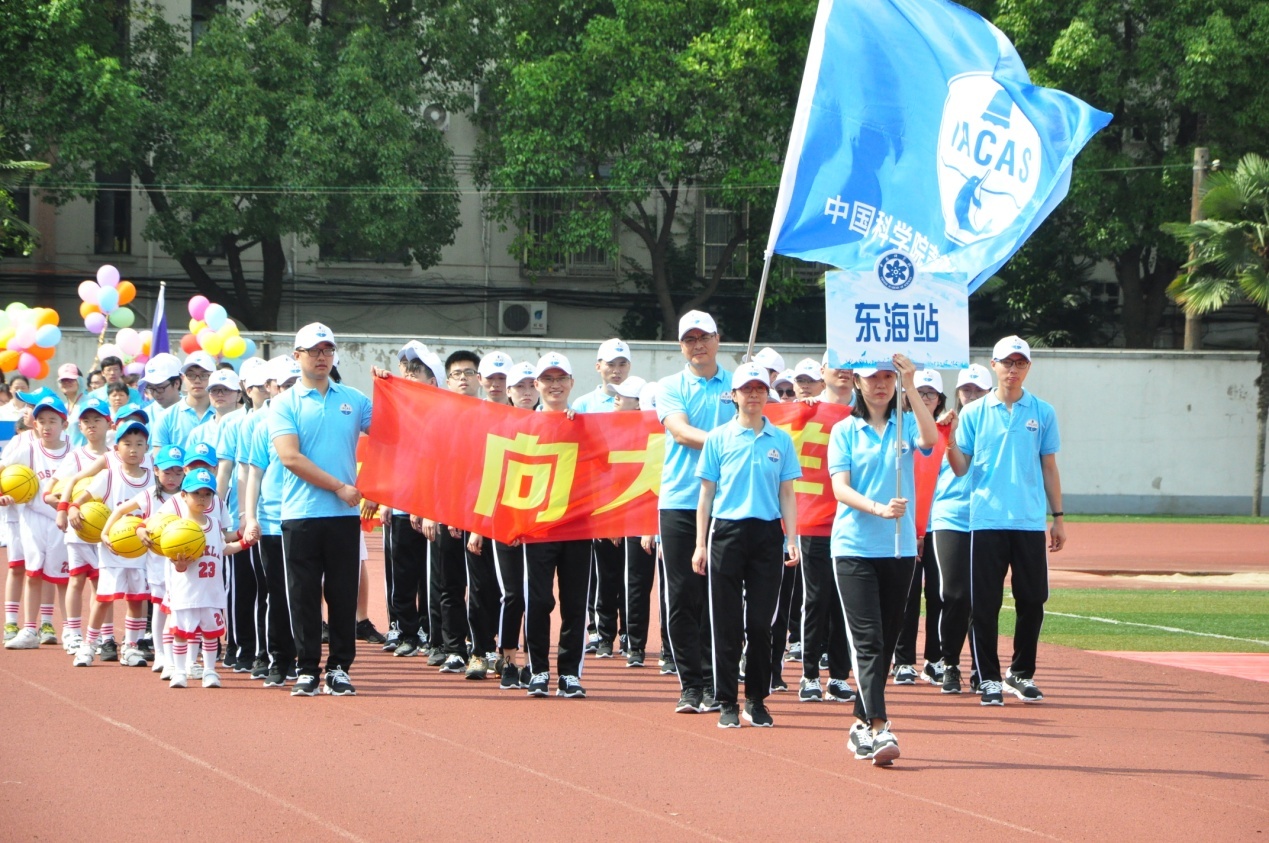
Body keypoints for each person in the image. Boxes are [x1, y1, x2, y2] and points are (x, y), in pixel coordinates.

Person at [829, 355, 937, 765]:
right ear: (857, 382)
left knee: (885, 644)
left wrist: (911, 382)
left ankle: (859, 723)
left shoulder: (905, 425)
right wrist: (878, 508)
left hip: (899, 549)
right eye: (872, 377)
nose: (880, 384)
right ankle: (879, 727)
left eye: (888, 377)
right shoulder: (844, 430)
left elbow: (930, 439)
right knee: (869, 641)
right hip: (854, 548)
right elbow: (840, 488)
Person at [946, 336, 1065, 705]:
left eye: (1020, 363)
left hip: (1028, 521)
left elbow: (1049, 466)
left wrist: (1058, 517)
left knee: (1033, 600)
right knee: (984, 604)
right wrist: (948, 441)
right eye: (1007, 362)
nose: (1013, 369)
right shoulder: (974, 413)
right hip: (986, 520)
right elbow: (961, 468)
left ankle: (1021, 672)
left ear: (1028, 367)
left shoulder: (1042, 411)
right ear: (993, 365)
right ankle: (988, 678)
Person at [693, 363, 801, 728]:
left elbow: (787, 493)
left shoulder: (781, 440)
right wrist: (700, 544)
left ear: (767, 395)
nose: (753, 395)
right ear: (734, 395)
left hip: (768, 535)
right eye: (746, 389)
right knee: (726, 623)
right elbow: (706, 495)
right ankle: (726, 700)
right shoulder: (718, 438)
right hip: (726, 532)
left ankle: (756, 699)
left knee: (759, 624)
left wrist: (791, 538)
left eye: (759, 388)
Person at [270, 323, 372, 697]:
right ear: (297, 355)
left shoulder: (354, 400)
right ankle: (307, 668)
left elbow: (393, 431)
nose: (321, 357)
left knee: (343, 595)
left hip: (343, 517)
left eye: (327, 350)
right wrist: (340, 487)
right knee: (303, 595)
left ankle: (339, 668)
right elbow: (290, 457)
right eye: (314, 351)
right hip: (301, 513)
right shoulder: (284, 403)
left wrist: (392, 387)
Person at [657, 310, 731, 714]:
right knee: (684, 594)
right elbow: (681, 432)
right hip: (681, 501)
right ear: (681, 346)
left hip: (730, 503)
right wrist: (731, 440)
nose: (698, 345)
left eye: (704, 337)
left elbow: (767, 422)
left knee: (720, 596)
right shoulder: (670, 386)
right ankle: (691, 684)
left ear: (718, 339)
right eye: (690, 339)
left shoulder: (739, 384)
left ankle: (717, 681)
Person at [520, 352, 591, 699]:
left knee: (575, 603)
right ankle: (538, 670)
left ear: (572, 383)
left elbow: (604, 469)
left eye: (561, 378)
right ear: (536, 385)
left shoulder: (586, 424)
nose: (555, 385)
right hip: (539, 527)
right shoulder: (523, 425)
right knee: (538, 601)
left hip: (578, 526)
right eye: (547, 379)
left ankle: (569, 674)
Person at [67, 417, 155, 667]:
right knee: (104, 598)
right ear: (116, 449)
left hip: (140, 551)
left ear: (146, 449)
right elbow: (82, 498)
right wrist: (72, 508)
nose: (133, 449)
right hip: (111, 548)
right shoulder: (109, 476)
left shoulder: (154, 479)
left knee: (137, 600)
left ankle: (131, 647)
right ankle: (89, 645)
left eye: (139, 444)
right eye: (127, 444)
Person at [796, 356, 857, 705]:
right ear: (822, 373)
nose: (843, 370)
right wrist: (798, 411)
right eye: (836, 364)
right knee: (816, 598)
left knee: (844, 602)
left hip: (854, 520)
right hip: (815, 519)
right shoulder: (805, 411)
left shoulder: (867, 411)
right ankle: (809, 676)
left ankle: (838, 676)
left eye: (850, 364)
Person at [929, 363, 992, 694]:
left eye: (978, 390)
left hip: (987, 517)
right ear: (957, 393)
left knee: (982, 598)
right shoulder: (942, 426)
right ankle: (950, 662)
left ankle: (982, 668)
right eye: (967, 389)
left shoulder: (996, 425)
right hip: (950, 516)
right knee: (955, 594)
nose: (972, 395)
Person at [243, 357, 302, 687]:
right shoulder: (263, 425)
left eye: (295, 383)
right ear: (271, 388)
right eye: (285, 385)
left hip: (304, 517)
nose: (290, 390)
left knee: (304, 592)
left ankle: (303, 657)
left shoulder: (308, 420)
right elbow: (254, 474)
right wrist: (250, 516)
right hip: (271, 521)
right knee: (276, 592)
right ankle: (277, 657)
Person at [158, 468, 245, 689]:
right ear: (184, 495)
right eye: (196, 493)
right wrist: (179, 565)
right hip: (186, 591)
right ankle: (180, 671)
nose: (202, 498)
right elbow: (173, 560)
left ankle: (210, 671)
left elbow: (223, 549)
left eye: (207, 494)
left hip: (211, 591)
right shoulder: (178, 528)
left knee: (210, 634)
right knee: (181, 633)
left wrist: (245, 543)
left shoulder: (215, 524)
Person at [107, 443, 186, 677]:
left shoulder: (190, 496)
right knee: (160, 607)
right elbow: (120, 510)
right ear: (156, 470)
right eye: (167, 472)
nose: (172, 478)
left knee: (181, 608)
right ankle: (161, 654)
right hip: (157, 564)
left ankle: (182, 656)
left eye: (178, 472)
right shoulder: (150, 495)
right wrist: (105, 533)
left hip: (183, 563)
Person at [1, 393, 71, 651]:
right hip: (32, 519)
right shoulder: (27, 448)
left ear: (64, 423)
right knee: (32, 573)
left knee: (62, 578)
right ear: (34, 423)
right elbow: (3, 469)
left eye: (52, 421)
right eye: (42, 421)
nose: (46, 426)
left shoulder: (73, 450)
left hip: (62, 521)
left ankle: (70, 630)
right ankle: (29, 629)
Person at [892, 369, 948, 686]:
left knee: (939, 595)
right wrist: (912, 530)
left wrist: (927, 530)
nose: (924, 398)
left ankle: (935, 659)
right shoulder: (897, 430)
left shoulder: (946, 433)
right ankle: (903, 661)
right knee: (907, 596)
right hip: (905, 525)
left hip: (938, 527)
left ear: (939, 400)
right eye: (918, 391)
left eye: (930, 394)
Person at [51, 394, 113, 654]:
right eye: (86, 421)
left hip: (105, 532)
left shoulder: (116, 457)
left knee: (103, 584)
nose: (91, 425)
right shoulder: (75, 458)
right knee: (76, 580)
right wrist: (67, 509)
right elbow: (50, 493)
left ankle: (105, 636)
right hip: (78, 530)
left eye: (97, 419)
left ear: (109, 423)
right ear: (79, 426)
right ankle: (73, 632)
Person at [151, 351, 216, 452]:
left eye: (204, 375)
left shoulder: (224, 415)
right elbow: (159, 457)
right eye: (191, 375)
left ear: (214, 377)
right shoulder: (166, 417)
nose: (197, 380)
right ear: (183, 378)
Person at [571, 338, 632, 413]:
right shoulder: (583, 405)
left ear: (629, 366)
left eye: (622, 365)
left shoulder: (640, 403)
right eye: (610, 364)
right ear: (598, 367)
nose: (616, 370)